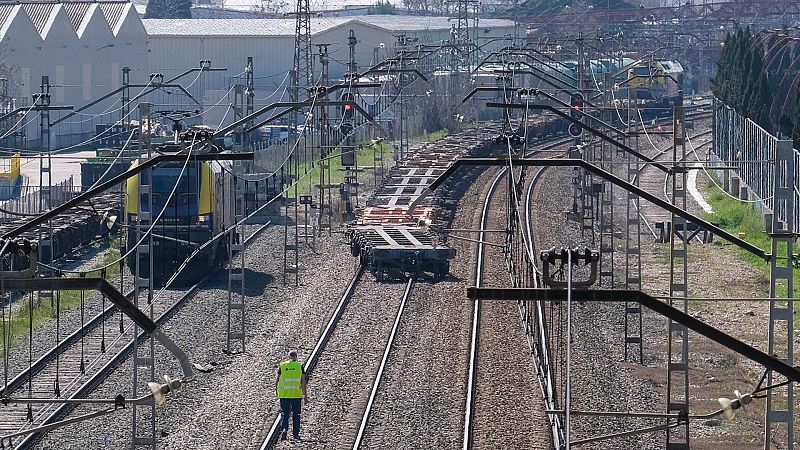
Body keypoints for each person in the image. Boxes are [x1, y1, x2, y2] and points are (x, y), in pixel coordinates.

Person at [276, 350, 308, 441]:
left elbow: (277, 380)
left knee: (284, 413)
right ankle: (296, 434)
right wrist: (305, 395)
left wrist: (277, 391)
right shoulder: (299, 366)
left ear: (288, 356)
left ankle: (284, 428)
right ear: (296, 356)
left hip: (284, 394)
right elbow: (303, 381)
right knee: (296, 414)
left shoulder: (282, 365)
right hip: (296, 394)